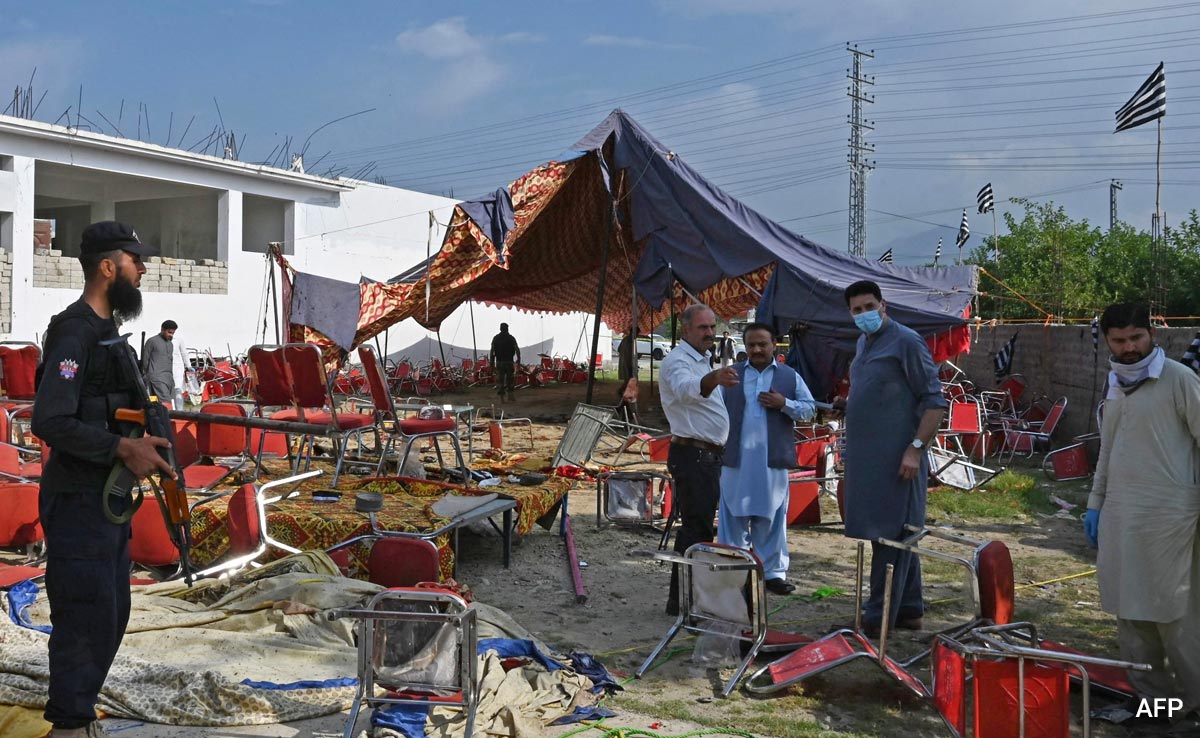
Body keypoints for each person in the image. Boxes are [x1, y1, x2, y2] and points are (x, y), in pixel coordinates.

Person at [31, 221, 176, 738]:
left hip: (107, 503)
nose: (144, 269)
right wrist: (121, 447)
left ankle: (80, 713)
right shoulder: (75, 333)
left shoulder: (110, 334)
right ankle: (67, 726)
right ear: (108, 268)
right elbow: (49, 420)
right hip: (77, 502)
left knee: (109, 615)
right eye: (135, 261)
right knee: (84, 618)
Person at [1085, 302, 1199, 725]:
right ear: (1108, 342)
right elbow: (1109, 449)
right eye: (1119, 340)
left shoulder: (1179, 380)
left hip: (1172, 520)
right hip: (1120, 517)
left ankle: (1194, 706)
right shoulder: (1115, 383)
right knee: (1130, 614)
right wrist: (1095, 505)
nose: (1130, 347)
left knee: (1177, 619)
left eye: (1137, 337)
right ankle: (1156, 706)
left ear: (1152, 334)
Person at [838, 280, 946, 636]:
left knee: (892, 536)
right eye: (857, 310)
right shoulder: (864, 342)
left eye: (870, 306)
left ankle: (876, 618)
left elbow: (934, 402)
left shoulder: (906, 342)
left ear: (884, 306)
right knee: (890, 535)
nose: (865, 314)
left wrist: (915, 448)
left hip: (900, 461)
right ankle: (909, 609)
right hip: (869, 463)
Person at [718, 323, 815, 595]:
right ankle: (732, 569)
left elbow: (809, 410)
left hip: (772, 459)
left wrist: (784, 404)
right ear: (745, 347)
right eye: (751, 345)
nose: (757, 349)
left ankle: (773, 573)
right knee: (732, 514)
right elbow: (713, 410)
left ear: (775, 344)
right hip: (736, 457)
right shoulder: (731, 376)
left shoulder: (789, 376)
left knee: (772, 516)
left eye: (762, 344)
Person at [659, 304, 739, 615]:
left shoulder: (702, 360)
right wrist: (714, 378)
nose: (710, 333)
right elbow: (685, 390)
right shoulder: (678, 361)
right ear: (686, 330)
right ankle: (684, 601)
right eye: (703, 328)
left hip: (705, 456)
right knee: (696, 530)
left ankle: (686, 599)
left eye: (711, 327)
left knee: (699, 528)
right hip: (693, 456)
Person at [141, 319, 178, 406]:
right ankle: (168, 419)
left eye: (173, 333)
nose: (171, 335)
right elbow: (145, 360)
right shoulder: (152, 341)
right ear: (162, 330)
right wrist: (147, 375)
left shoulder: (170, 344)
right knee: (166, 404)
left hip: (169, 379)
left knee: (168, 403)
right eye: (169, 332)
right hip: (156, 378)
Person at [489, 322, 520, 401]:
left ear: (500, 329)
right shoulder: (511, 338)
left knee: (501, 380)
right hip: (509, 361)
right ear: (507, 329)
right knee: (510, 379)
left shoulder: (496, 338)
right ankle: (510, 396)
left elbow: (492, 351)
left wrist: (491, 362)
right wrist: (518, 358)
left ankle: (502, 398)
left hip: (500, 362)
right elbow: (516, 348)